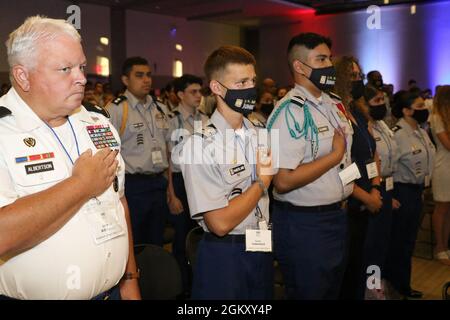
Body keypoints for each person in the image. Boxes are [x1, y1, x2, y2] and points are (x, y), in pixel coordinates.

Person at [0, 16, 140, 300]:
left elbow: (119, 203)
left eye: (81, 67)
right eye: (65, 69)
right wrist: (80, 185)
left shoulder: (97, 122)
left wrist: (129, 281)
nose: (82, 78)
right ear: (23, 76)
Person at [173, 45, 274, 299]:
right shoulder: (198, 145)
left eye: (252, 80)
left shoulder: (260, 132)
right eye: (241, 82)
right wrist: (261, 183)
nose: (251, 88)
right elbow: (219, 223)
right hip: (225, 254)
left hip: (261, 245)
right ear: (217, 88)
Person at [267, 32, 353, 299]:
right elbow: (282, 180)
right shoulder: (289, 112)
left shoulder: (333, 103)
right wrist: (332, 157)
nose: (329, 65)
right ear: (299, 66)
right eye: (321, 59)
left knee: (331, 290)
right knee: (309, 292)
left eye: (329, 58)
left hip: (336, 216)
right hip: (304, 223)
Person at [106, 56, 171, 247]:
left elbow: (167, 149)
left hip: (158, 183)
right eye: (139, 75)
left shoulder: (160, 107)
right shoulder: (116, 109)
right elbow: (108, 152)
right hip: (133, 186)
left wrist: (169, 188)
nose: (146, 80)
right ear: (125, 80)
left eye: (149, 75)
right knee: (135, 243)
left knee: (157, 242)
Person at [333, 56, 382, 300]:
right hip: (347, 202)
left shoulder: (358, 112)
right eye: (351, 76)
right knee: (345, 270)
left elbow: (372, 154)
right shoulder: (334, 112)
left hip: (366, 199)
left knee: (359, 265)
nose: (357, 81)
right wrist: (364, 195)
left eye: (358, 76)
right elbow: (339, 165)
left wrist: (375, 187)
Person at [385, 90, 436, 299]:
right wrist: (390, 196)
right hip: (401, 192)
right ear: (406, 111)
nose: (424, 110)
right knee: (398, 243)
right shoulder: (397, 134)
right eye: (419, 107)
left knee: (409, 243)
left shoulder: (422, 131)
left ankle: (403, 285)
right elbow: (388, 168)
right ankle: (395, 287)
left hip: (416, 192)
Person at [167, 74, 209, 294]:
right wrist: (172, 195)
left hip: (203, 181)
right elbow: (167, 160)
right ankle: (181, 288)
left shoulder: (205, 119)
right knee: (182, 239)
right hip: (181, 182)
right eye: (193, 92)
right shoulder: (171, 120)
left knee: (201, 234)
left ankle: (198, 284)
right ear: (180, 95)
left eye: (200, 91)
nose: (198, 96)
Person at [362, 85, 400, 298]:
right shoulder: (364, 128)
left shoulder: (383, 125)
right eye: (376, 101)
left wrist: (390, 194)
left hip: (386, 186)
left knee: (383, 242)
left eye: (382, 100)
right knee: (373, 244)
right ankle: (370, 286)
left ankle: (377, 283)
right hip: (372, 189)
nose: (382, 105)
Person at [430, 85, 450, 265]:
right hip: (443, 167)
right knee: (442, 208)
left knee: (449, 209)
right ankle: (440, 247)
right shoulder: (437, 118)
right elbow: (447, 144)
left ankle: (446, 246)